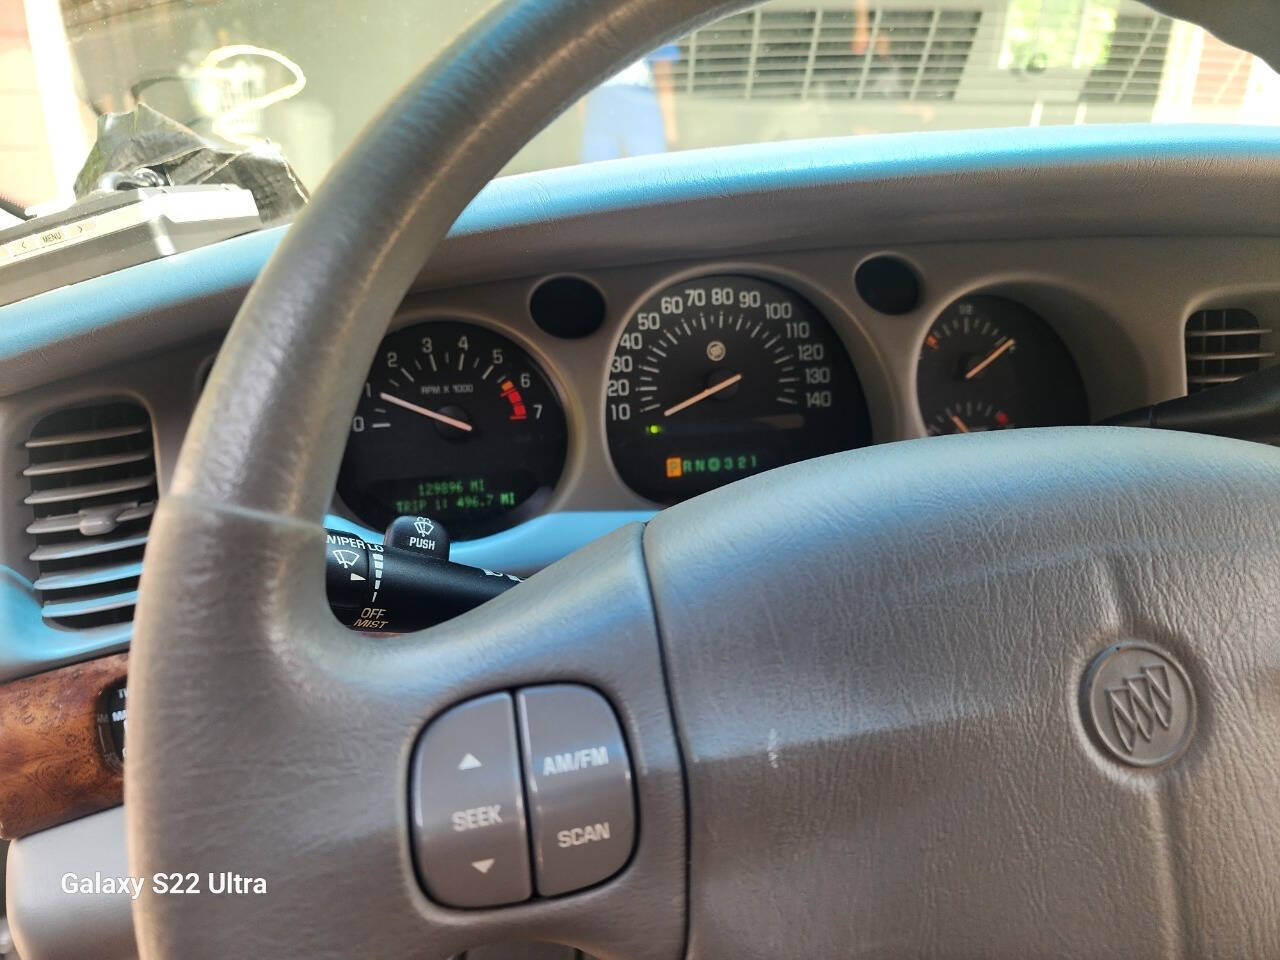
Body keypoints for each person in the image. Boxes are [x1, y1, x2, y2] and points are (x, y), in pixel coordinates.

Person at [580, 42, 680, 162]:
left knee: (648, 167)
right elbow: (583, 73)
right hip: (602, 107)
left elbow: (663, 73)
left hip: (642, 107)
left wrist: (670, 125)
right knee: (597, 169)